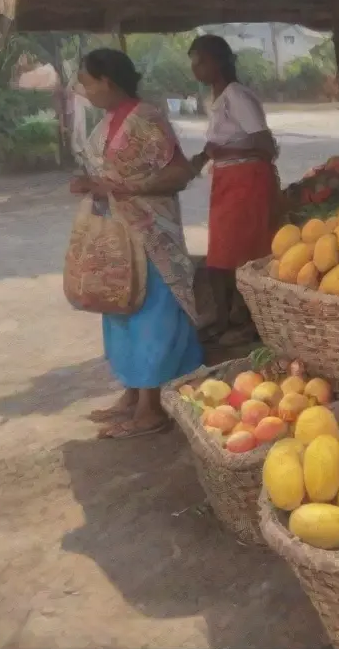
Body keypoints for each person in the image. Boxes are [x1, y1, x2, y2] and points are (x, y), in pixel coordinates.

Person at [71, 49, 203, 439]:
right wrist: (93, 186)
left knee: (151, 317)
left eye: (87, 82)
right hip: (118, 237)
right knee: (121, 309)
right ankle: (132, 395)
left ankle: (151, 409)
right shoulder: (108, 121)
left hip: (152, 236)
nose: (84, 90)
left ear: (107, 81)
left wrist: (123, 187)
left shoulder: (147, 118)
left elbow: (179, 173)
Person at [187, 34, 280, 346]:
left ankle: (241, 321)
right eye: (194, 63)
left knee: (237, 253)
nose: (195, 69)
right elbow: (222, 141)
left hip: (247, 180)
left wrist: (220, 152)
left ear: (218, 62)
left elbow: (265, 144)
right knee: (223, 252)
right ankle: (226, 318)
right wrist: (204, 157)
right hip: (228, 180)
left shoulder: (237, 96)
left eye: (201, 62)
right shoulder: (218, 99)